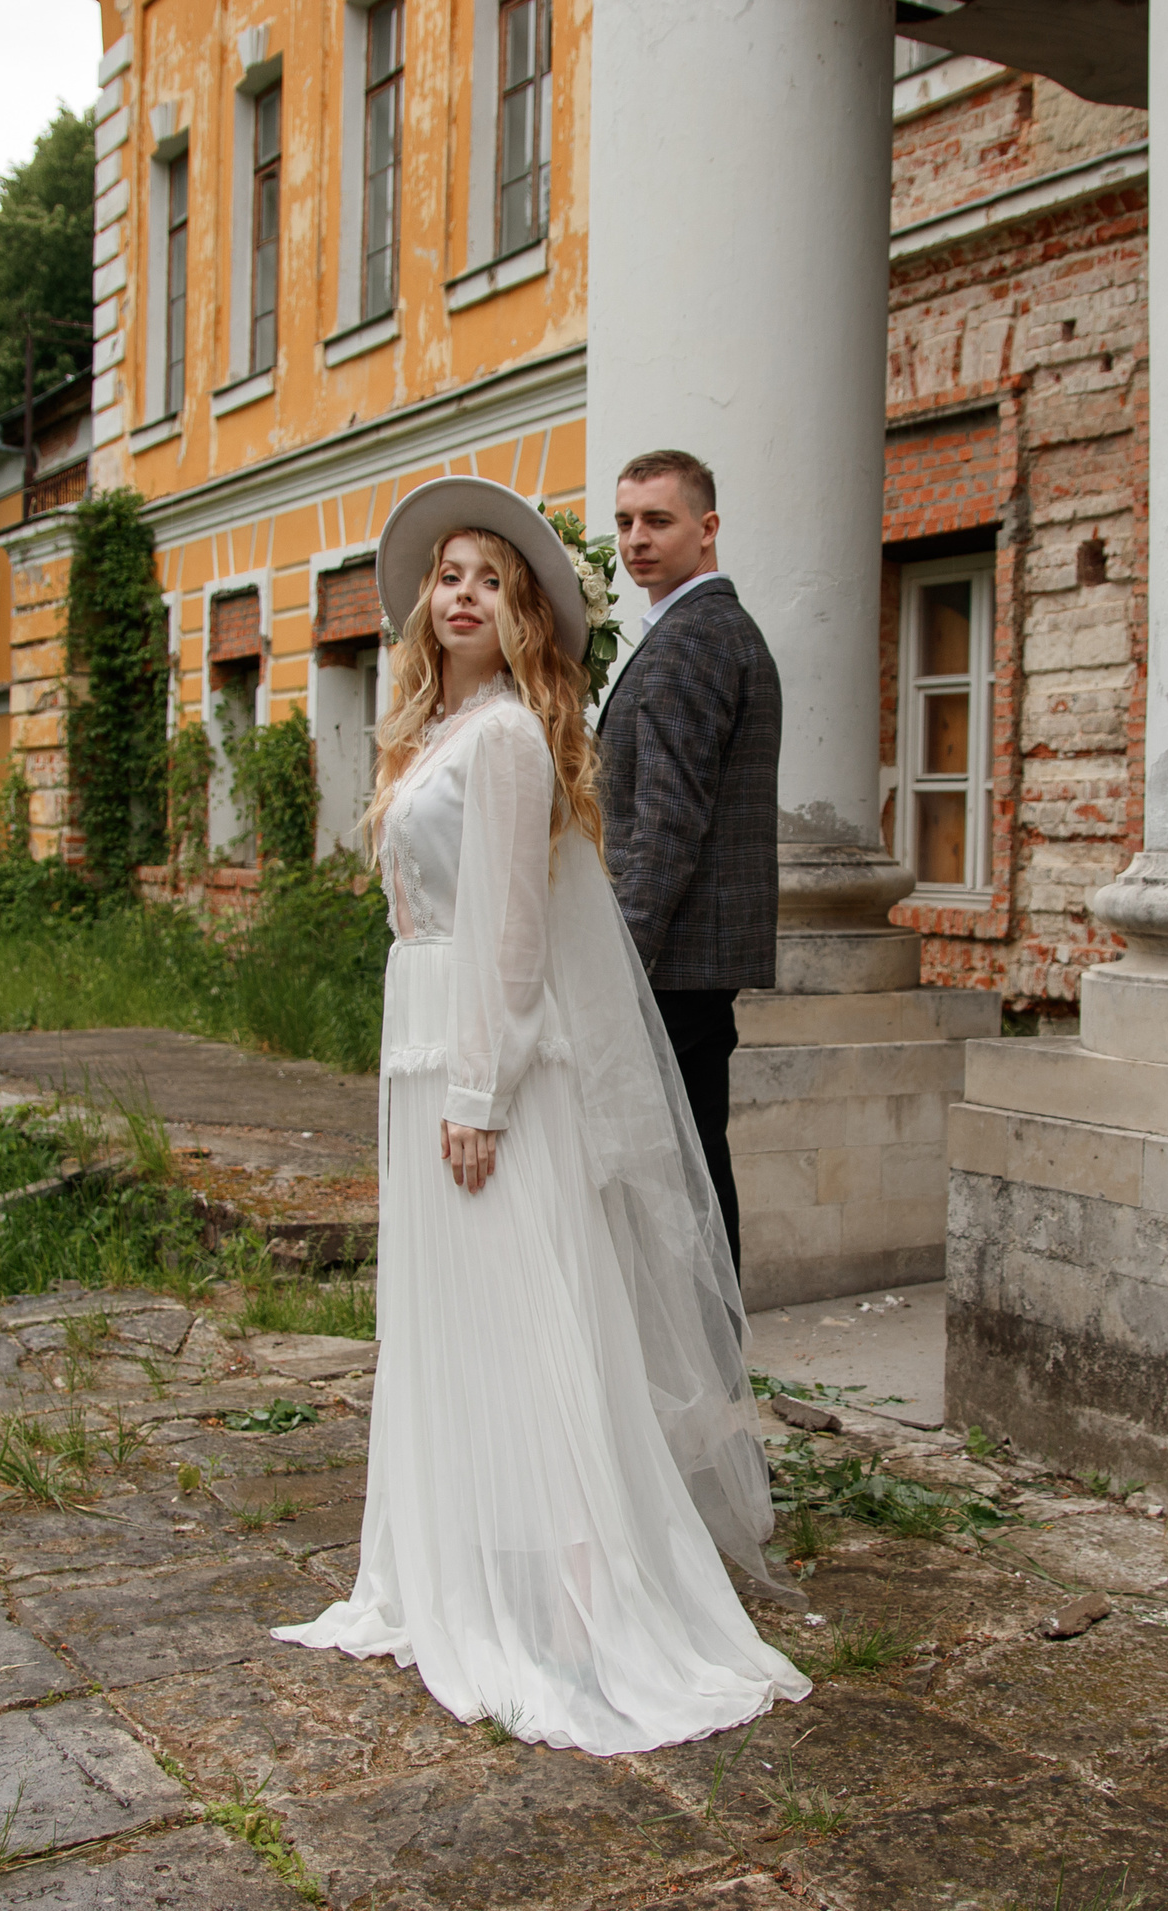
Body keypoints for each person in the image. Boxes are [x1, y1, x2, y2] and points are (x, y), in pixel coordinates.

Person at [270, 475, 808, 1757]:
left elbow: (513, 930)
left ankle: (574, 1603)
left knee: (528, 1317)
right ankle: (451, 1569)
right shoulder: (432, 734)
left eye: (490, 581)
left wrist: (480, 1095)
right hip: (420, 1047)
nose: (462, 594)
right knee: (449, 1323)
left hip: (485, 1068)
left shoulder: (510, 737)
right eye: (448, 575)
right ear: (423, 601)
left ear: (520, 614)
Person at [594, 450, 782, 1276]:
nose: (636, 539)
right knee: (693, 1159)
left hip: (674, 962)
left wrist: (619, 964)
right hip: (694, 957)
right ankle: (707, 1369)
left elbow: (667, 826)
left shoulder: (691, 642)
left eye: (657, 521)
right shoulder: (704, 629)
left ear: (706, 530)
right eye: (626, 521)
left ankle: (702, 1373)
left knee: (680, 1172)